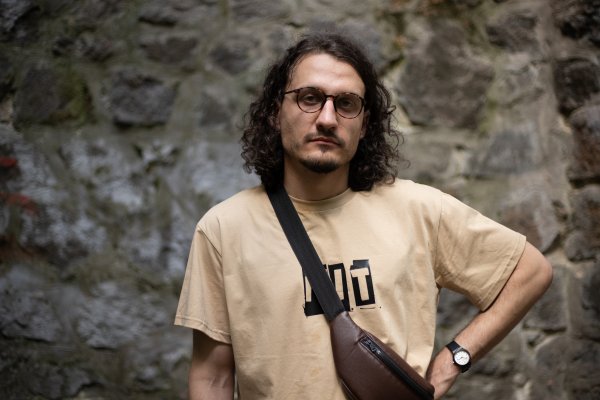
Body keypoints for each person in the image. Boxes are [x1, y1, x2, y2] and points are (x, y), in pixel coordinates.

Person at [174, 32, 553, 399]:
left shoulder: (419, 210)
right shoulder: (224, 228)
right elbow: (212, 376)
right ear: (276, 112)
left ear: (365, 123)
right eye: (310, 98)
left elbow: (531, 272)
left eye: (346, 104)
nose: (327, 118)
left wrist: (452, 361)